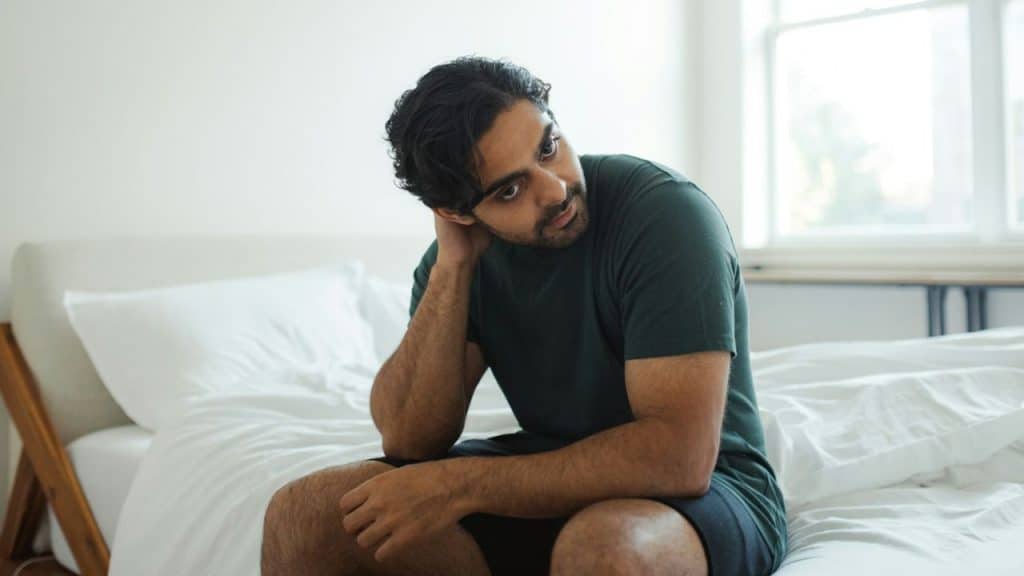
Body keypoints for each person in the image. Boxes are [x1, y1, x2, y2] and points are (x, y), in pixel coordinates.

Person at [261, 56, 788, 576]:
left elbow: (679, 457)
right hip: (547, 475)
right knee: (304, 514)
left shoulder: (665, 215)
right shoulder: (460, 261)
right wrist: (454, 265)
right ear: (457, 212)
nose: (555, 187)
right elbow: (409, 439)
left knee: (607, 548)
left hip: (709, 489)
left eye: (549, 147)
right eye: (510, 190)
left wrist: (459, 486)